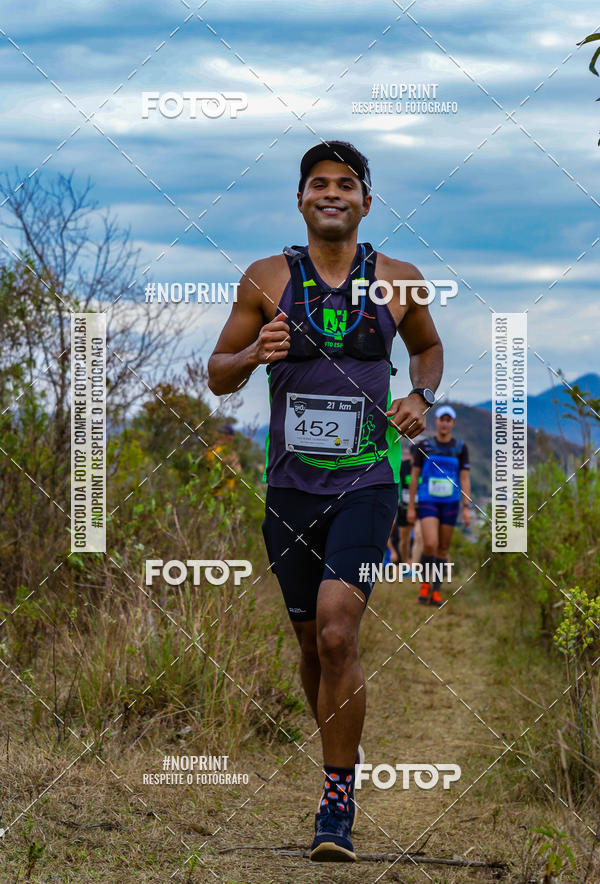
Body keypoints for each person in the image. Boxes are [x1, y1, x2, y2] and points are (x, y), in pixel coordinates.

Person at [207, 140, 443, 861]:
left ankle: (336, 800)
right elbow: (218, 374)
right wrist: (254, 355)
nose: (332, 193)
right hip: (288, 489)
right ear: (301, 199)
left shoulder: (400, 281)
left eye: (347, 184)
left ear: (368, 201)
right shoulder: (267, 278)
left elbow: (428, 349)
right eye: (319, 183)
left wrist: (419, 396)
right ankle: (337, 753)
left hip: (367, 480)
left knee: (340, 633)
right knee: (311, 642)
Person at [407, 405, 471, 607]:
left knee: (443, 549)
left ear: (452, 423)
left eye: (448, 420)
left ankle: (435, 591)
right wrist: (411, 506)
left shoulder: (461, 448)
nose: (444, 423)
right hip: (428, 501)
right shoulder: (424, 446)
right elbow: (415, 476)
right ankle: (425, 584)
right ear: (436, 421)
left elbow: (465, 478)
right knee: (430, 544)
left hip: (450, 503)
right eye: (441, 419)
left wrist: (467, 507)